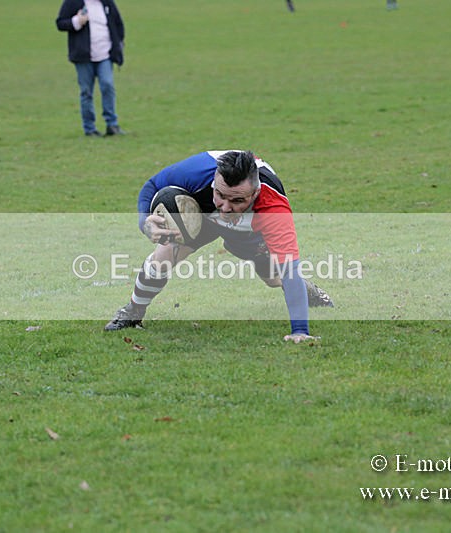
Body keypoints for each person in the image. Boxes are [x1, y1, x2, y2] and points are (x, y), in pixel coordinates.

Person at [104, 150, 334, 344]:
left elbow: (289, 268)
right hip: (202, 215)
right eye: (220, 195)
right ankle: (133, 312)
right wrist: (145, 222)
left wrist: (300, 331)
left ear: (255, 193)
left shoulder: (273, 209)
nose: (225, 207)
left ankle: (308, 291)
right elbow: (152, 184)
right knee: (163, 256)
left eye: (237, 200)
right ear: (215, 180)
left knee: (275, 278)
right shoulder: (197, 171)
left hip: (248, 228)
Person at [56, 0, 126, 137]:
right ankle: (89, 128)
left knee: (107, 85)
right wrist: (76, 21)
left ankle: (112, 124)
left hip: (105, 54)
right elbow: (60, 23)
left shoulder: (107, 3)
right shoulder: (73, 2)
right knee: (86, 92)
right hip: (83, 56)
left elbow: (117, 23)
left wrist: (118, 43)